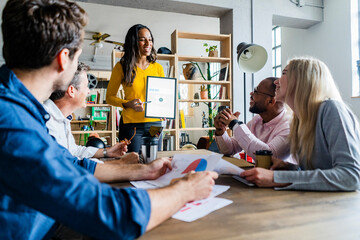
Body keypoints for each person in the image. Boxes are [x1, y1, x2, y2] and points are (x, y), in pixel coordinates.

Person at [0, 1, 218, 239]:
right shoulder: (12, 124)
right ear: (63, 59)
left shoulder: (21, 109)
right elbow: (112, 214)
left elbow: (69, 164)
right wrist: (185, 189)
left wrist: (141, 171)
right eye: (77, 58)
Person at [240, 57, 360, 191]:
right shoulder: (299, 120)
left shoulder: (332, 109)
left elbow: (351, 176)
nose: (276, 81)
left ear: (303, 80)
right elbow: (320, 169)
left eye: (284, 73)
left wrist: (276, 178)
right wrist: (289, 167)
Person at [44, 62, 138, 164]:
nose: (88, 91)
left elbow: (73, 151)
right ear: (71, 91)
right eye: (86, 86)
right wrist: (118, 164)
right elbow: (64, 164)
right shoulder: (47, 121)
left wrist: (107, 152)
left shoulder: (62, 117)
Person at [106, 24, 164, 152]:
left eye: (150, 39)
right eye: (142, 39)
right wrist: (128, 104)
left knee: (154, 163)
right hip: (132, 126)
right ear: (133, 42)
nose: (148, 43)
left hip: (155, 124)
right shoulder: (121, 67)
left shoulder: (158, 68)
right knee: (133, 163)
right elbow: (109, 97)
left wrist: (164, 109)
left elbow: (162, 96)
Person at [214, 77, 293, 162]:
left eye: (256, 91)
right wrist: (220, 130)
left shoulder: (289, 126)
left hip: (280, 175)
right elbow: (230, 149)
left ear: (270, 101)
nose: (251, 93)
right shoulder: (257, 120)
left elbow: (268, 157)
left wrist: (235, 124)